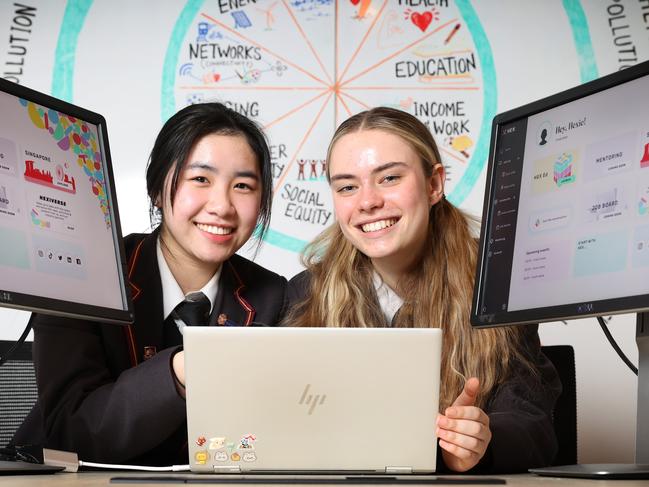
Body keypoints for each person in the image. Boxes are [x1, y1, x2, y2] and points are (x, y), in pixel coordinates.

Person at [285, 107, 561, 474]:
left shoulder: (493, 281)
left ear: (434, 185)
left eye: (389, 178)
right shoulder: (305, 294)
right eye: (348, 186)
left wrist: (479, 442)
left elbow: (532, 421)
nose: (367, 202)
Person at [16, 103, 288, 466]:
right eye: (200, 179)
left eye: (242, 186)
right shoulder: (81, 275)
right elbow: (71, 433)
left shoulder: (274, 297)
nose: (222, 206)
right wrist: (182, 370)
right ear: (157, 190)